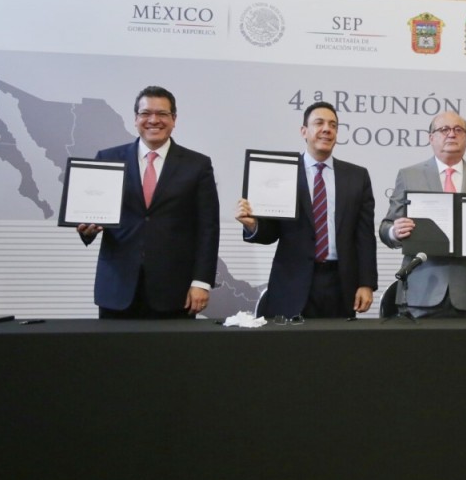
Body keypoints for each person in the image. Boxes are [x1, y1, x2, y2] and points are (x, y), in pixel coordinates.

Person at [77, 86, 220, 319]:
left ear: (174, 119)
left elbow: (208, 228)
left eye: (162, 114)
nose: (153, 120)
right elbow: (93, 213)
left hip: (175, 290)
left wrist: (201, 282)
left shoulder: (197, 165)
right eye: (145, 113)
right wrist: (87, 230)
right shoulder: (108, 159)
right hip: (117, 287)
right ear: (136, 119)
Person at [236, 101, 377, 318]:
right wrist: (254, 225)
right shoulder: (282, 172)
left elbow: (365, 236)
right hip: (291, 283)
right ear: (304, 131)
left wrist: (366, 283)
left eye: (333, 125)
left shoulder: (357, 176)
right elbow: (271, 232)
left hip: (340, 284)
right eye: (319, 123)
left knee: (339, 341)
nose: (327, 129)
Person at [380, 111, 466, 317]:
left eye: (458, 130)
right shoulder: (409, 175)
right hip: (420, 292)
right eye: (444, 129)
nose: (451, 134)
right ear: (431, 137)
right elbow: (385, 228)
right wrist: (394, 231)